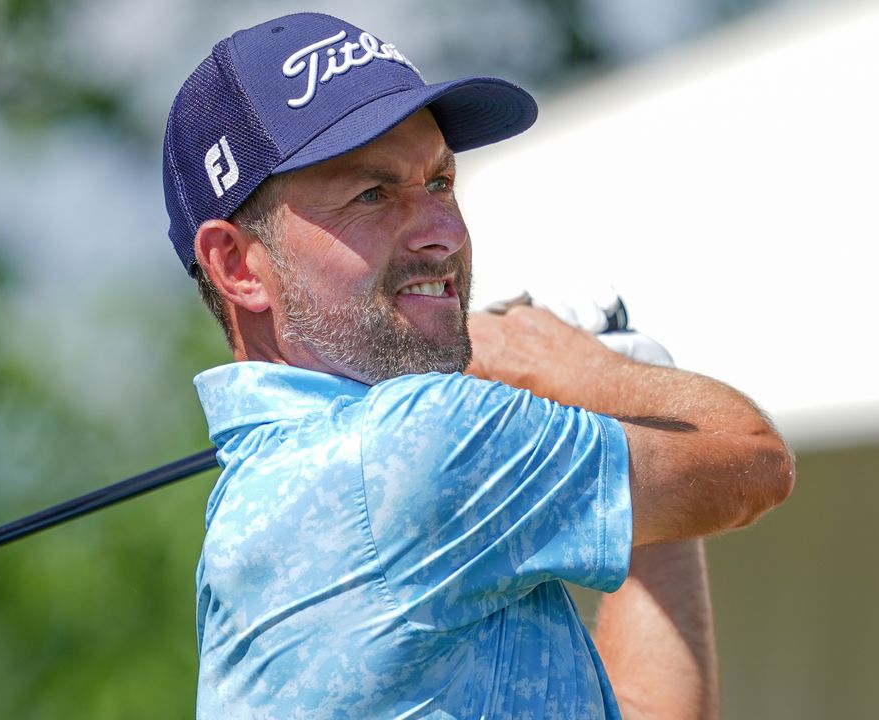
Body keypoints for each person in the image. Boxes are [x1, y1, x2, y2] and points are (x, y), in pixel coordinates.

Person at [161, 12, 794, 720]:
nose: (443, 232)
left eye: (439, 182)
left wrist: (625, 383)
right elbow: (755, 463)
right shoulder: (414, 443)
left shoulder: (272, 489)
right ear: (235, 265)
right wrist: (584, 372)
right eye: (371, 194)